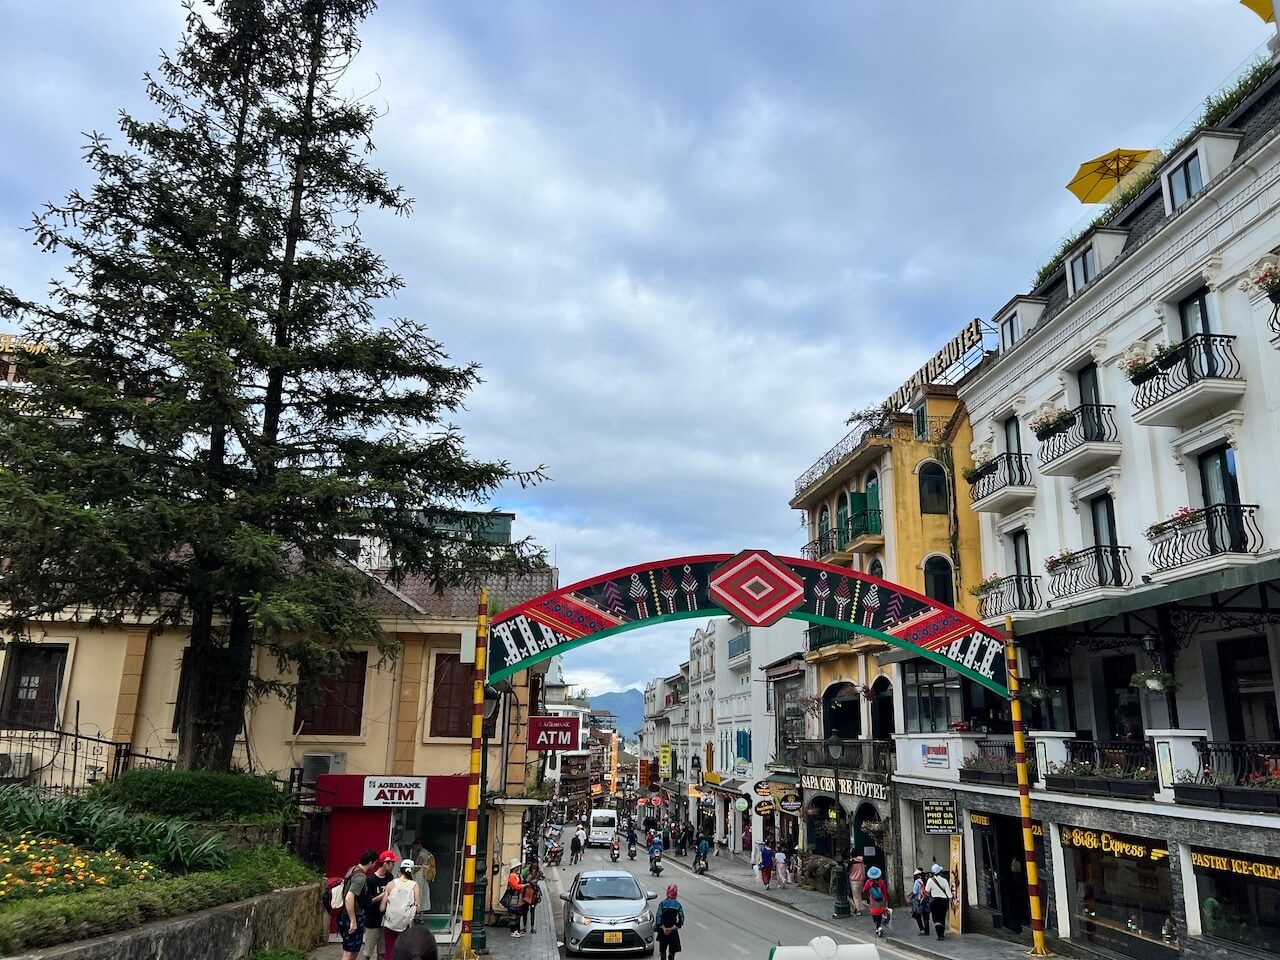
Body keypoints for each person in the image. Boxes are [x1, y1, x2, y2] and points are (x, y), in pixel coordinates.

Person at [340, 849, 379, 960]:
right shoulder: (360, 877)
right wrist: (353, 921)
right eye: (375, 862)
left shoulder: (352, 869)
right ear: (371, 862)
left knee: (353, 949)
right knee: (349, 952)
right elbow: (349, 897)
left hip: (346, 915)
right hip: (352, 916)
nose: (375, 865)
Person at [360, 850, 397, 959]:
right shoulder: (371, 880)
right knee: (368, 952)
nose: (393, 865)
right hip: (372, 920)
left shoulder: (390, 877)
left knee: (383, 952)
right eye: (392, 863)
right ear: (385, 864)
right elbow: (368, 901)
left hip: (386, 920)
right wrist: (383, 895)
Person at [382, 859, 421, 958]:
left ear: (400, 870)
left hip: (390, 925)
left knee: (390, 950)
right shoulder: (414, 885)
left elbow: (382, 907)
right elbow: (418, 909)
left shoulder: (391, 884)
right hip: (405, 925)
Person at [655, 883, 685, 960]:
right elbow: (681, 918)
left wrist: (663, 928)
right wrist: (675, 927)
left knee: (662, 951)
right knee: (672, 952)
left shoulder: (662, 904)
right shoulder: (678, 905)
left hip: (662, 931)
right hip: (673, 931)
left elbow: (658, 917)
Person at [926, 863, 953, 941]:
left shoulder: (930, 880)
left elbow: (927, 891)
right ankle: (942, 934)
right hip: (943, 901)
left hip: (935, 901)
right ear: (940, 872)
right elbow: (948, 893)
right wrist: (952, 900)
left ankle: (939, 935)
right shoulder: (944, 880)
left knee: (936, 918)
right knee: (942, 917)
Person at [863, 866, 890, 938]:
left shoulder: (869, 882)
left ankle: (878, 928)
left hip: (873, 902)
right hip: (881, 901)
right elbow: (884, 892)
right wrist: (886, 902)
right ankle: (878, 927)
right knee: (880, 915)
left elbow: (864, 890)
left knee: (874, 916)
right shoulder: (881, 882)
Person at [910, 868, 929, 936]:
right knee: (926, 916)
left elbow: (915, 892)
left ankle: (922, 930)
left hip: (919, 901)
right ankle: (927, 930)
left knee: (917, 916)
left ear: (917, 875)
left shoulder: (917, 882)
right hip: (926, 900)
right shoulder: (926, 880)